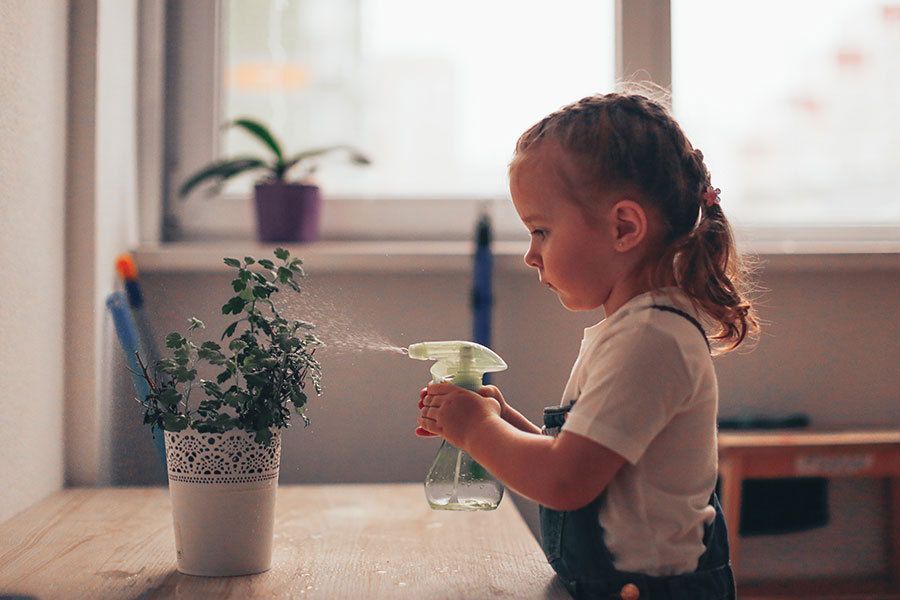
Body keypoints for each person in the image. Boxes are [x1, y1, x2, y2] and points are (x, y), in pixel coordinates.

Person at [416, 91, 759, 599]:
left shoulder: (651, 338)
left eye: (541, 230)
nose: (532, 255)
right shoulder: (632, 330)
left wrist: (476, 429)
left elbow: (565, 482)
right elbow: (596, 470)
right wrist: (503, 421)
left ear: (624, 227)